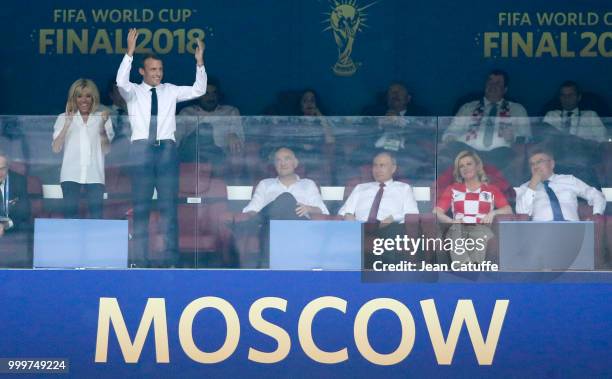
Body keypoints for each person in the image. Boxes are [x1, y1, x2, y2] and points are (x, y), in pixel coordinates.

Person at [116, 28, 206, 267]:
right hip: (141, 150)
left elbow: (199, 90)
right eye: (153, 69)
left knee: (168, 208)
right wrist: (130, 52)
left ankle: (170, 260)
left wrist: (199, 63)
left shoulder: (171, 90)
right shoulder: (133, 92)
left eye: (160, 69)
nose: (158, 73)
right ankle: (140, 261)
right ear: (142, 71)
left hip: (166, 150)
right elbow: (120, 82)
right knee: (141, 208)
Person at [441, 70, 531, 183]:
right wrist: (452, 141)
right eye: (490, 82)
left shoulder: (517, 109)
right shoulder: (468, 107)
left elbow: (527, 138)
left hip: (502, 156)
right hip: (469, 154)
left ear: (505, 89)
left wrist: (513, 136)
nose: (493, 86)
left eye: (498, 83)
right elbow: (450, 133)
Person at [433, 150, 512, 263]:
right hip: (459, 227)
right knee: (456, 230)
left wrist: (493, 213)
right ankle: (467, 270)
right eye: (461, 166)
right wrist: (451, 221)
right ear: (459, 171)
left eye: (469, 164)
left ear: (478, 166)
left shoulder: (491, 189)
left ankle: (469, 271)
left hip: (481, 228)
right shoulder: (453, 189)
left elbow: (508, 210)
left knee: (480, 233)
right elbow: (436, 211)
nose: (465, 168)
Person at [52, 79, 114, 219]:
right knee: (70, 217)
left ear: (93, 98)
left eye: (88, 96)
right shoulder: (63, 118)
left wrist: (102, 128)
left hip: (95, 175)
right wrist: (67, 124)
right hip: (70, 175)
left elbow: (107, 150)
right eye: (79, 96)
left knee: (96, 218)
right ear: (74, 98)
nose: (84, 100)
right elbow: (56, 148)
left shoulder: (102, 118)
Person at [541, 81, 608, 187]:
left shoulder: (590, 115)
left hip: (584, 160)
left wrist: (581, 143)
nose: (566, 98)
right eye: (563, 95)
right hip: (557, 159)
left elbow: (602, 141)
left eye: (570, 95)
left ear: (579, 97)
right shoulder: (552, 115)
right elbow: (544, 140)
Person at [515, 148, 606, 221]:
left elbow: (596, 195)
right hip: (542, 232)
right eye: (532, 164)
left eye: (540, 161)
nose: (535, 166)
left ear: (552, 164)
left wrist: (597, 215)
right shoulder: (525, 188)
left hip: (572, 230)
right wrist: (533, 184)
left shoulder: (569, 180)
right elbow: (522, 213)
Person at [243, 147, 329, 219]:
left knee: (287, 198)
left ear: (295, 163)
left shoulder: (308, 184)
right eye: (278, 160)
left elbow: (323, 211)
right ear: (275, 165)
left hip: (298, 230)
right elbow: (251, 210)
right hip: (271, 230)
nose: (283, 163)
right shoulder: (265, 184)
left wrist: (308, 208)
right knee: (285, 198)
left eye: (287, 159)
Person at [339, 151, 419, 223]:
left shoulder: (404, 188)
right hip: (361, 230)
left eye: (382, 165)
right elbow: (343, 212)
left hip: (390, 231)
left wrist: (393, 218)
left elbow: (412, 214)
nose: (378, 169)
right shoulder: (360, 188)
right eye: (375, 165)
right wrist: (348, 216)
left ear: (393, 168)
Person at [0, 150, 31, 267]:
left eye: (2, 168)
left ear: (8, 167)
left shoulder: (18, 181)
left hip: (14, 229)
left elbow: (25, 211)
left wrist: (4, 224)